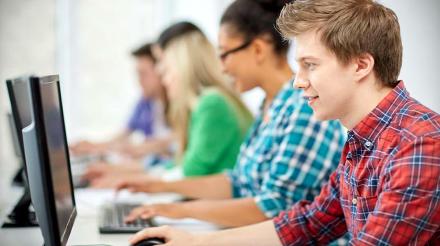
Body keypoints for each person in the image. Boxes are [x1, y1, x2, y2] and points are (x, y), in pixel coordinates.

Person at [127, 0, 440, 245]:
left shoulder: (419, 144)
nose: (297, 82)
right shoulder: (362, 142)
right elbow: (308, 224)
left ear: (361, 65)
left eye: (310, 66)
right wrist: (196, 241)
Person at [118, 0, 345, 233]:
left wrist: (180, 210)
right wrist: (155, 187)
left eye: (225, 54)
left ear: (258, 49)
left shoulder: (302, 110)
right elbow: (236, 182)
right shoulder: (271, 105)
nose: (222, 68)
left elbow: (272, 209)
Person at [70, 43, 171, 159]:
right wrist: (96, 146)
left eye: (143, 74)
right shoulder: (145, 102)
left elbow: (169, 142)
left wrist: (137, 148)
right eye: (137, 74)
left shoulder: (178, 103)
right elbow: (124, 134)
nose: (139, 81)